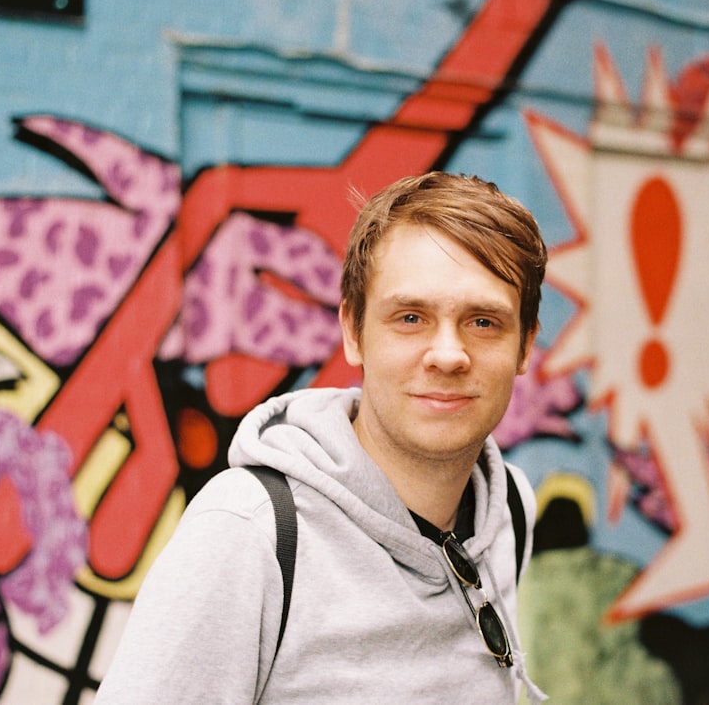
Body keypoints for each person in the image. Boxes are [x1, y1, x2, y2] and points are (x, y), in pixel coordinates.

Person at [94, 172, 548, 703]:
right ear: (353, 332)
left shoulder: (507, 509)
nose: (448, 354)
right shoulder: (250, 532)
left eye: (483, 322)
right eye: (410, 317)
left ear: (524, 347)